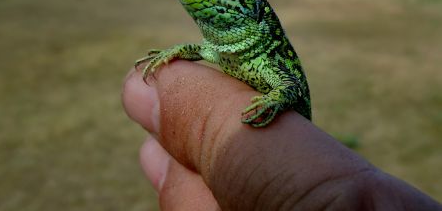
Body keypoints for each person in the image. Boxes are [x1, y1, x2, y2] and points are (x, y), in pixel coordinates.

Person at [122, 60, 441, 210]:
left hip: (291, 134)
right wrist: (176, 53)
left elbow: (289, 87)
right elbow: (202, 49)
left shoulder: (266, 47)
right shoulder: (220, 46)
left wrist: (273, 101)